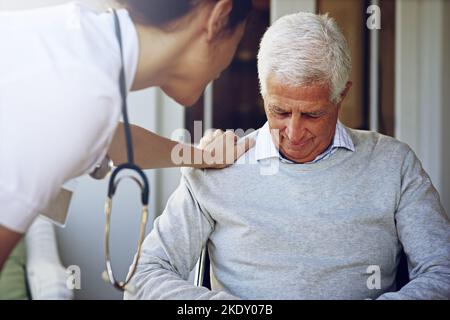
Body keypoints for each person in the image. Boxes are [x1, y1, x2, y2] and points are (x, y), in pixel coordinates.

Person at [124, 12, 450, 300]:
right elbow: (142, 278)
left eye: (311, 115)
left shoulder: (393, 164)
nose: (293, 133)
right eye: (279, 111)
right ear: (263, 92)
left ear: (342, 95)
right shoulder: (217, 165)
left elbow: (442, 272)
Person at [0, 0, 254, 269]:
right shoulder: (80, 92)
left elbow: (114, 140)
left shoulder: (81, 44)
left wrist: (201, 157)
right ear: (219, 17)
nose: (227, 63)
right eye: (238, 40)